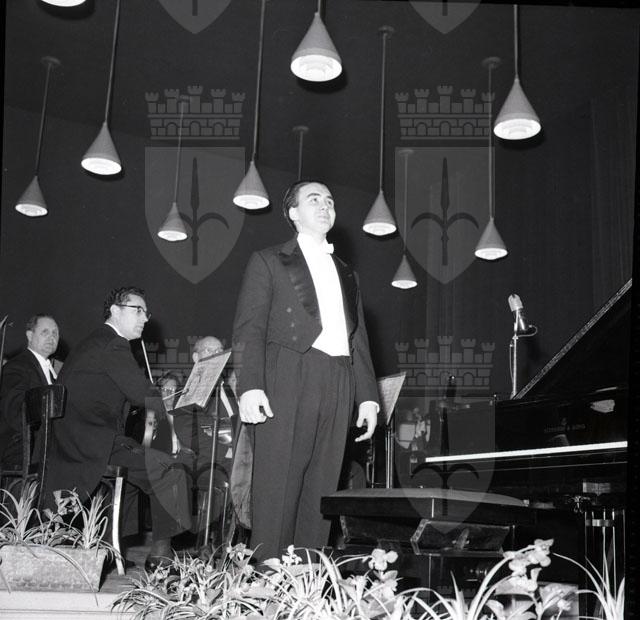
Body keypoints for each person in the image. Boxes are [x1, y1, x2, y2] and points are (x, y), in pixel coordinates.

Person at [232, 180, 379, 561]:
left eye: (330, 200)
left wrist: (368, 398)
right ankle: (268, 579)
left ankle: (306, 582)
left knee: (321, 489)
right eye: (314, 199)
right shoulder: (268, 260)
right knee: (278, 486)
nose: (325, 205)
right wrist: (250, 386)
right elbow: (249, 329)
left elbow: (358, 338)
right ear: (293, 213)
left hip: (339, 378)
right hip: (288, 374)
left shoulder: (347, 272)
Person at [43, 287, 191, 570]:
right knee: (169, 468)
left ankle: (110, 548)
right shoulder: (113, 344)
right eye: (138, 310)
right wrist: (168, 442)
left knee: (140, 467)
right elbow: (143, 395)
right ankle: (161, 557)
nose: (145, 318)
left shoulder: (97, 342)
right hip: (90, 444)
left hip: (78, 439)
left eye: (146, 313)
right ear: (115, 311)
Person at [0, 315, 60, 470]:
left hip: (43, 449)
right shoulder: (17, 367)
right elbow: (16, 411)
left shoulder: (54, 374)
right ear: (30, 335)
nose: (51, 337)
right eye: (45, 332)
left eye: (55, 333)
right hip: (20, 452)